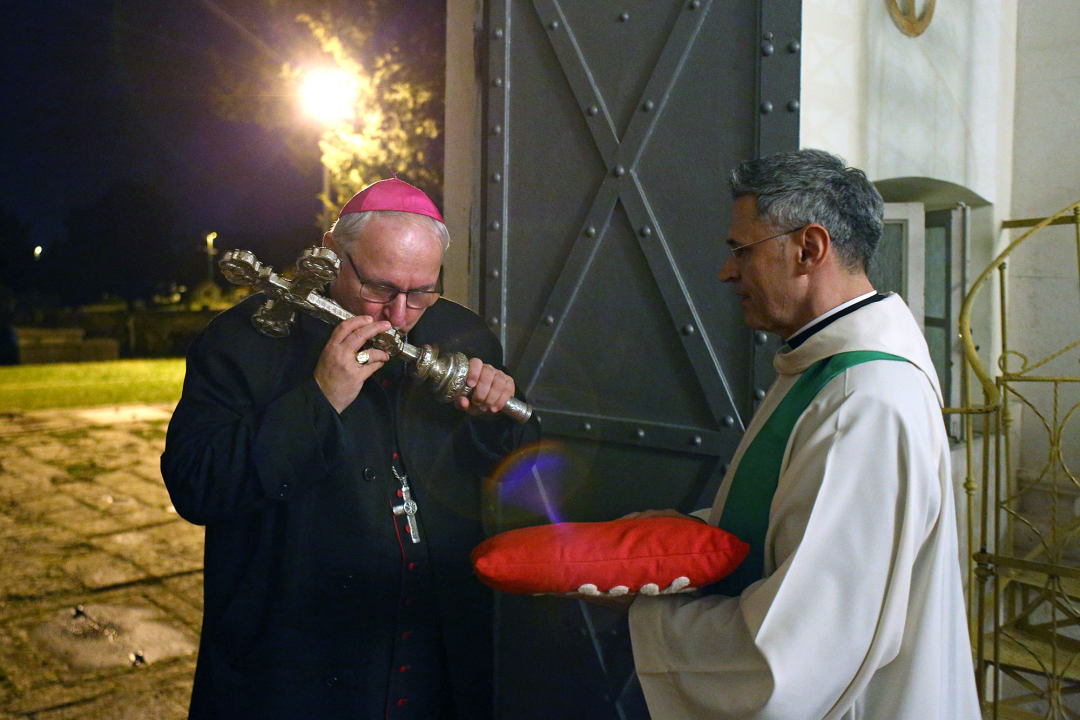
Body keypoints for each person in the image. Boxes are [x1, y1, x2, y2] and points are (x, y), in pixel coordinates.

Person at [161, 177, 539, 719]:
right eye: (380, 288)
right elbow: (196, 485)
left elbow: (521, 467)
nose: (400, 315)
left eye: (422, 291)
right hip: (299, 656)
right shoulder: (244, 340)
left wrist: (494, 418)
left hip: (438, 641)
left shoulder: (461, 332)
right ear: (332, 253)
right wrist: (320, 399)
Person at [624, 150, 980, 719]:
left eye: (741, 250)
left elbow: (799, 652)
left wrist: (644, 615)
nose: (727, 272)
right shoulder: (826, 365)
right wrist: (681, 540)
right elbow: (792, 524)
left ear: (809, 248)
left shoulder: (866, 401)